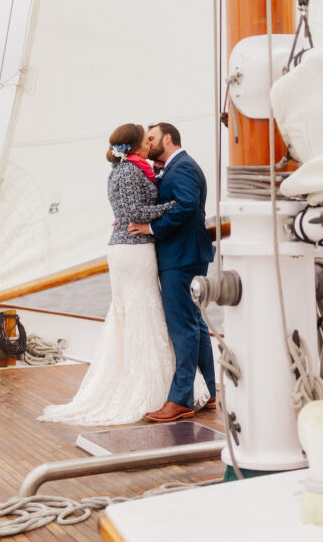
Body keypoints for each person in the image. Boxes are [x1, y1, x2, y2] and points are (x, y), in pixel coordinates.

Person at [38, 123, 178, 426]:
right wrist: (171, 205)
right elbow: (133, 213)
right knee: (142, 311)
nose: (149, 141)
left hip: (127, 249)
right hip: (133, 248)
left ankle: (151, 382)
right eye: (145, 137)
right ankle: (147, 389)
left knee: (138, 312)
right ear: (137, 144)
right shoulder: (129, 171)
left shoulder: (129, 168)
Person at [128, 122, 217, 423]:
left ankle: (180, 400)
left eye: (151, 138)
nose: (148, 143)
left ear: (167, 138)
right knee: (195, 323)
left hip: (181, 257)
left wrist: (150, 227)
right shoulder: (175, 167)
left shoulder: (183, 168)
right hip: (186, 254)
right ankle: (212, 390)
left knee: (182, 327)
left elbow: (187, 207)